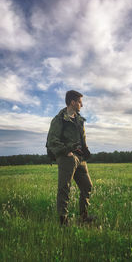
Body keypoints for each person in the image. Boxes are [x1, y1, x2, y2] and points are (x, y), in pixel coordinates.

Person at [46, 90, 95, 226]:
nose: (82, 105)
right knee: (64, 188)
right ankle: (63, 221)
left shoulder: (79, 120)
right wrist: (66, 152)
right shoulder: (59, 119)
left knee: (87, 186)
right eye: (80, 102)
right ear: (73, 102)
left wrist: (85, 152)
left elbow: (82, 138)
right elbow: (52, 141)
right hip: (67, 157)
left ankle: (84, 217)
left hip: (80, 158)